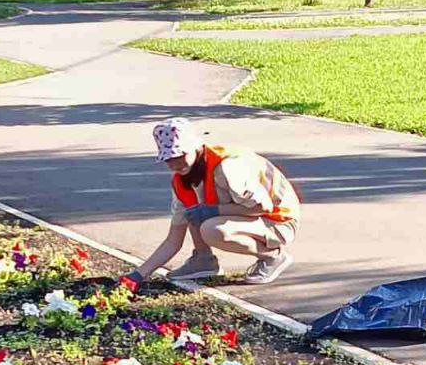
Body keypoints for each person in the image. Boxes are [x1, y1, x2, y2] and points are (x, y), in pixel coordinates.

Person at [122, 117, 299, 289]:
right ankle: (203, 261)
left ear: (196, 148)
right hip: (249, 216)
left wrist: (214, 211)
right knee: (193, 213)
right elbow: (173, 241)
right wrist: (138, 275)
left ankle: (273, 256)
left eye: (180, 155)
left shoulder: (228, 168)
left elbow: (262, 207)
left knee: (212, 229)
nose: (175, 164)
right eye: (168, 159)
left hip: (277, 220)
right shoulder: (182, 181)